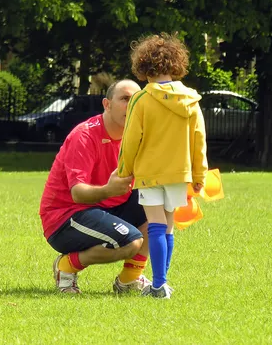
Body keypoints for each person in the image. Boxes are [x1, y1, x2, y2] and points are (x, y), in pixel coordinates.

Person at [39, 79, 152, 294]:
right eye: (124, 99)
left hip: (105, 208)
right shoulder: (85, 135)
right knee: (132, 242)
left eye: (136, 100)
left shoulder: (138, 137)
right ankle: (66, 267)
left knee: (160, 204)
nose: (131, 105)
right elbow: (77, 193)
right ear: (106, 104)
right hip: (65, 217)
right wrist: (108, 190)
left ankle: (129, 280)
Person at [118, 33, 208, 299]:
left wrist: (124, 171)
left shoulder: (141, 100)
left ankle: (158, 286)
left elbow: (131, 139)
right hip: (180, 173)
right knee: (167, 227)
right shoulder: (191, 99)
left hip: (150, 173)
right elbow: (199, 139)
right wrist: (199, 174)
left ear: (144, 67)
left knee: (155, 224)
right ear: (176, 64)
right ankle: (163, 282)